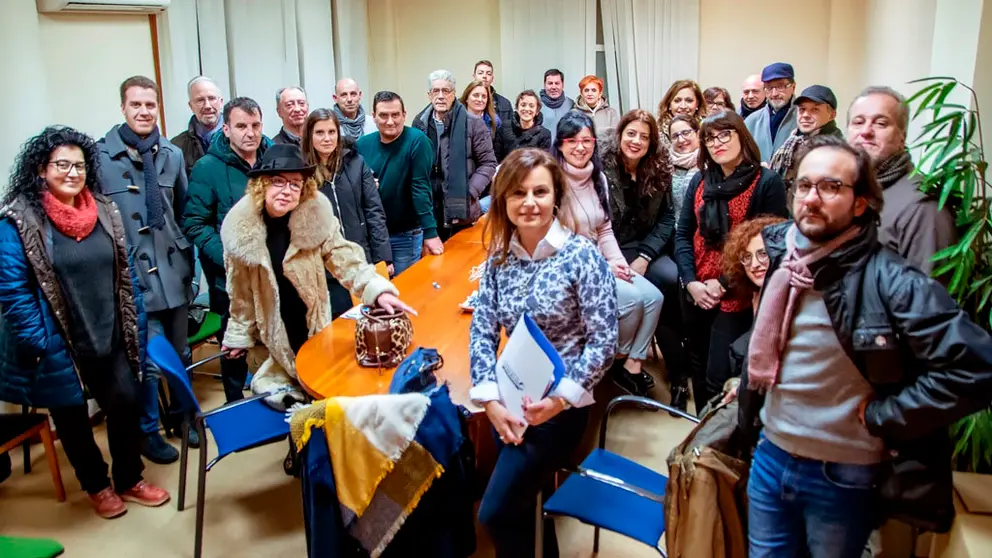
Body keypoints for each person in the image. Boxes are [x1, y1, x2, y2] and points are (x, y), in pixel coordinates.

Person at [739, 135, 992, 557]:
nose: (812, 198)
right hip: (771, 454)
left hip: (842, 474)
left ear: (860, 202)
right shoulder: (784, 260)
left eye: (831, 187)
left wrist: (886, 414)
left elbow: (977, 368)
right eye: (804, 186)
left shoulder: (891, 280)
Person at [0, 126, 170, 518]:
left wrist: (135, 323)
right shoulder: (19, 221)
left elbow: (125, 273)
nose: (72, 173)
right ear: (41, 169)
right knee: (73, 419)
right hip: (59, 340)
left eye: (79, 165)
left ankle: (129, 479)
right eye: (62, 164)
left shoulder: (103, 211)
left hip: (109, 331)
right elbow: (12, 290)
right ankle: (96, 485)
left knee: (126, 402)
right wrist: (39, 341)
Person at [470, 148, 618, 557]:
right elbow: (481, 331)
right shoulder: (499, 259)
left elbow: (604, 340)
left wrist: (557, 401)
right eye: (518, 193)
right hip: (511, 401)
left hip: (561, 409)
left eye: (540, 191)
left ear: (556, 196)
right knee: (519, 509)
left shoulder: (582, 255)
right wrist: (491, 402)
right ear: (503, 200)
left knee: (495, 513)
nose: (529, 202)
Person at [219, 144, 414, 410]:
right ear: (262, 184)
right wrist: (238, 334)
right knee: (297, 404)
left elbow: (344, 256)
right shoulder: (241, 232)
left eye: (295, 184)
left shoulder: (315, 215)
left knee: (328, 396)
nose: (287, 191)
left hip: (315, 327)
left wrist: (376, 288)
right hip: (277, 335)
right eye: (278, 182)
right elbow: (239, 292)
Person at [96, 75, 194, 464]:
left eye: (150, 105)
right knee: (149, 363)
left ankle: (185, 418)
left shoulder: (170, 154)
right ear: (123, 107)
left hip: (175, 272)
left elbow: (185, 212)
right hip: (133, 278)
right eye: (136, 104)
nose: (143, 111)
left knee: (181, 352)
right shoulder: (101, 157)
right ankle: (148, 432)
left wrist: (192, 263)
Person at [674, 110, 788, 411]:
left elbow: (769, 246)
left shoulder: (767, 182)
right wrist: (691, 283)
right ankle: (700, 432)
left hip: (735, 291)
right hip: (695, 286)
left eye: (725, 134)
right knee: (696, 366)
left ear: (742, 136)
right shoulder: (699, 180)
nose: (717, 143)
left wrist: (721, 284)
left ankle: (716, 444)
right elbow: (684, 233)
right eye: (709, 138)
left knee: (718, 375)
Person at [184, 97, 273, 403]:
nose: (250, 133)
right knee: (235, 342)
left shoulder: (273, 158)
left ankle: (276, 396)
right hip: (231, 278)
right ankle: (235, 400)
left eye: (255, 125)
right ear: (226, 129)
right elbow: (194, 223)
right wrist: (228, 257)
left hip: (271, 270)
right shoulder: (208, 168)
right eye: (241, 126)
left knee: (276, 336)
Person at [598, 109, 680, 401]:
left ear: (652, 142)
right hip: (608, 245)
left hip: (642, 245)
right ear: (620, 135)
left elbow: (668, 218)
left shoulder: (658, 168)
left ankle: (639, 363)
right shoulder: (602, 168)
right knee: (639, 296)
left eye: (644, 137)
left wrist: (645, 256)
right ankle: (621, 360)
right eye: (631, 133)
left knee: (669, 280)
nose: (636, 141)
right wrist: (611, 259)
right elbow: (598, 223)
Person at [846, 86, 957, 274]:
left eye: (880, 123)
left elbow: (928, 297)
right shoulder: (845, 190)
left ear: (902, 138)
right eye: (858, 122)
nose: (866, 131)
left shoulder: (922, 207)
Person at [302, 108, 391, 317]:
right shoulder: (301, 172)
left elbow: (374, 211)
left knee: (369, 320)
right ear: (309, 136)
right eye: (320, 133)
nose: (327, 139)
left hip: (361, 259)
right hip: (324, 269)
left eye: (331, 132)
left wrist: (383, 258)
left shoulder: (355, 163)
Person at [355, 91, 441, 274]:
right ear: (374, 116)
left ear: (404, 115)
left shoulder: (417, 141)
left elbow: (421, 188)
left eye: (395, 115)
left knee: (405, 292)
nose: (390, 121)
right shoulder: (361, 145)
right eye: (383, 115)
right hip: (372, 237)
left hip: (405, 235)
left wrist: (431, 232)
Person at [414, 70, 497, 241]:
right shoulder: (419, 123)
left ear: (454, 94)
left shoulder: (473, 123)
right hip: (429, 209)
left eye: (446, 91)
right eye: (436, 91)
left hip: (461, 210)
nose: (441, 96)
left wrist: (469, 192)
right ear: (429, 95)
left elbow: (488, 164)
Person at [770, 85, 844, 189]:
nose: (805, 115)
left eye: (815, 109)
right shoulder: (792, 141)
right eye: (802, 109)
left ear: (832, 115)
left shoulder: (836, 150)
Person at [721, 216, 788, 308]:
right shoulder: (758, 295)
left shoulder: (797, 297)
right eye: (747, 256)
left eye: (763, 253)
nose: (754, 265)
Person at [171, 76, 224, 177]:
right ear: (191, 106)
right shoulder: (177, 147)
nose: (207, 106)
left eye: (212, 98)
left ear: (221, 102)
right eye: (200, 100)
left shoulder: (240, 138)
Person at [744, 63, 798, 162]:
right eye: (769, 88)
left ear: (793, 87)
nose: (774, 94)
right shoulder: (752, 121)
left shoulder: (803, 118)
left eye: (780, 86)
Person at [494, 90, 552, 162]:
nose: (527, 109)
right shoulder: (504, 127)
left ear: (537, 111)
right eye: (523, 105)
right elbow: (496, 157)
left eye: (531, 106)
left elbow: (543, 164)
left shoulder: (545, 135)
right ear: (517, 108)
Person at [657, 80, 706, 151]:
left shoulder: (706, 130)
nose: (683, 106)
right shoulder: (657, 133)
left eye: (689, 101)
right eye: (677, 101)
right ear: (669, 104)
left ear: (697, 104)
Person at [669, 115, 701, 221]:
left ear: (698, 133)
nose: (681, 140)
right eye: (675, 136)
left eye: (686, 133)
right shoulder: (666, 167)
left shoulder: (710, 162)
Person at [539, 69, 575, 144]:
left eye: (557, 83)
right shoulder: (536, 105)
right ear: (544, 85)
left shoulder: (571, 104)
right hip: (543, 152)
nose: (553, 87)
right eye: (550, 83)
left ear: (563, 85)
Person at [473, 59, 513, 124]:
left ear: (492, 79)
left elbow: (509, 131)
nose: (484, 76)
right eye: (480, 73)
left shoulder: (505, 104)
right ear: (474, 76)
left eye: (488, 74)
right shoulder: (461, 104)